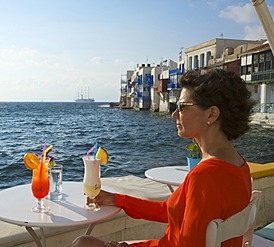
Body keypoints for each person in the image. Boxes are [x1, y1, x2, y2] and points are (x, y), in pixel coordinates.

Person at [71, 69, 256, 247]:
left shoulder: (204, 176)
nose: (174, 114)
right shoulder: (239, 165)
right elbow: (170, 209)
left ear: (212, 114)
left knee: (82, 243)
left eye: (182, 107)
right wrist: (117, 200)